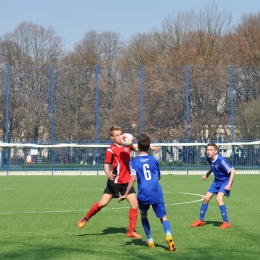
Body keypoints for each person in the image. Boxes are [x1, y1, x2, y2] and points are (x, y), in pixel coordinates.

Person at [78, 126, 158, 238]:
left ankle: (131, 231)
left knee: (134, 204)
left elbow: (137, 147)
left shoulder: (126, 145)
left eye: (121, 134)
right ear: (112, 137)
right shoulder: (110, 150)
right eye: (117, 135)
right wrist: (108, 174)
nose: (120, 136)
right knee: (103, 203)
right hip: (115, 181)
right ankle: (85, 218)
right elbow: (106, 165)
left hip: (127, 182)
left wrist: (151, 147)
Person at [118, 134, 176, 251]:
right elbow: (158, 177)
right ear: (149, 146)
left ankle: (150, 240)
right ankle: (168, 235)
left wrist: (125, 194)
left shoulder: (133, 162)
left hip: (144, 193)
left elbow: (133, 178)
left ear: (138, 147)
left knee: (144, 214)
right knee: (163, 216)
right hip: (156, 191)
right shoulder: (154, 160)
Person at [191, 142, 236, 229]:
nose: (208, 151)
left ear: (215, 151)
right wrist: (207, 174)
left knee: (219, 199)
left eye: (211, 150)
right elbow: (213, 166)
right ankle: (200, 220)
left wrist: (229, 184)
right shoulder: (209, 158)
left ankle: (226, 222)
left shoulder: (221, 160)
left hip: (225, 182)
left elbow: (233, 171)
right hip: (216, 182)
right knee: (206, 198)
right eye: (207, 150)